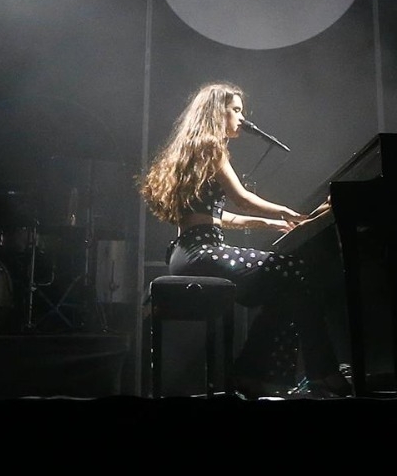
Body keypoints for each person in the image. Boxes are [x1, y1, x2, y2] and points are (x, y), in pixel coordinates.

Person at [138, 81, 349, 399]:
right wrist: (286, 211)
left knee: (287, 290)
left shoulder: (193, 150)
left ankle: (253, 377)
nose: (241, 117)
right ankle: (320, 372)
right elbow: (243, 199)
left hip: (187, 251)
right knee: (296, 270)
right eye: (235, 110)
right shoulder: (212, 148)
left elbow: (220, 217)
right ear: (216, 112)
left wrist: (270, 222)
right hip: (202, 252)